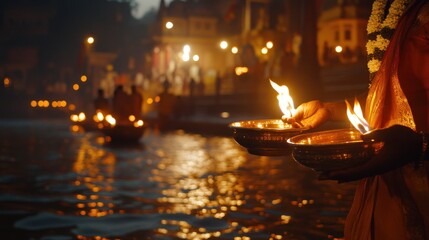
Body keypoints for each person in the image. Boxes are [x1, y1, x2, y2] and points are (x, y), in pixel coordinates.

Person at [286, 0, 429, 239]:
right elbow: (387, 95)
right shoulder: (389, 7)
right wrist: (331, 109)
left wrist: (420, 146)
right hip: (386, 183)